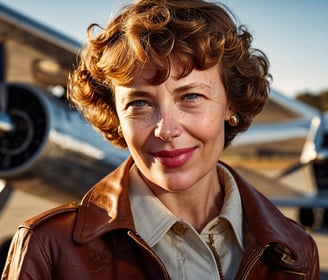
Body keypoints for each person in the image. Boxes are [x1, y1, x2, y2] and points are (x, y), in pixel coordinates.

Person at [2, 0, 319, 279]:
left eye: (191, 97)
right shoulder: (45, 247)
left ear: (230, 104)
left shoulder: (295, 251)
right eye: (139, 103)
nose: (166, 130)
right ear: (115, 114)